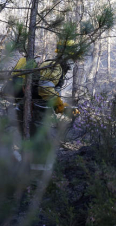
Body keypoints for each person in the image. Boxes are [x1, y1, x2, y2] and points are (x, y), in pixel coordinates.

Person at [12, 40, 76, 172]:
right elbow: (45, 88)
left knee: (30, 141)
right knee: (41, 143)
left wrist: (63, 105)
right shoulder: (56, 66)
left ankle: (22, 173)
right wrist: (60, 106)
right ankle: (37, 178)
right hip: (37, 109)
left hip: (27, 105)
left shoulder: (51, 64)